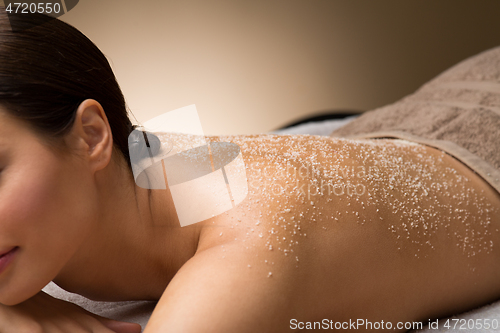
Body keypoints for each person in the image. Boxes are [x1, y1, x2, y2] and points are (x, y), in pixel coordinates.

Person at [0, 10, 499, 333]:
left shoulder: (247, 245)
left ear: (92, 135)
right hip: (418, 122)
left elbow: (262, 211)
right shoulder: (147, 170)